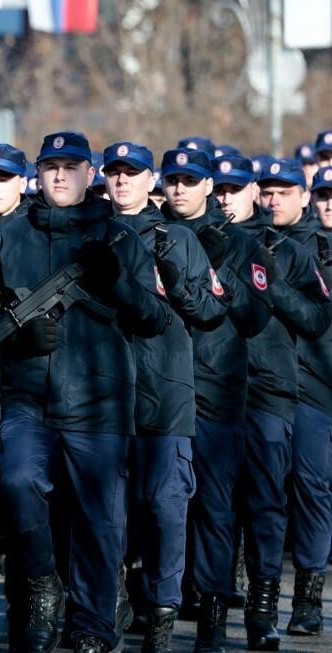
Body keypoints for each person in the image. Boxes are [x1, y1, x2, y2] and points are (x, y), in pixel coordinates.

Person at [0, 131, 168, 653]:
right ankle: (40, 582)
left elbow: (154, 318)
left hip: (100, 405)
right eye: (50, 166)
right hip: (27, 399)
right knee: (17, 481)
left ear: (90, 174)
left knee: (101, 524)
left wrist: (118, 282)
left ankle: (92, 628)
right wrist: (18, 334)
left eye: (71, 166)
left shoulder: (120, 239)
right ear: (37, 173)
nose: (59, 175)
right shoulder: (7, 238)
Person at [105, 143, 228, 653]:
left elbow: (209, 312)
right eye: (113, 172)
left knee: (165, 507)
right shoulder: (92, 234)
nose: (122, 181)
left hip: (165, 394)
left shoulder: (176, 237)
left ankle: (161, 611)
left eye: (132, 173)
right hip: (101, 396)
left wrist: (176, 282)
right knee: (104, 513)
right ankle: (108, 607)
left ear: (149, 179)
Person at [221, 156, 332, 651]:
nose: (273, 199)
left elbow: (314, 317)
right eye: (267, 190)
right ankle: (233, 584)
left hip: (311, 384)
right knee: (241, 491)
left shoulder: (302, 250)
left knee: (308, 485)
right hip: (262, 382)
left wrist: (270, 282)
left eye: (285, 191)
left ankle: (306, 594)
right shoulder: (247, 242)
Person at [185, 153, 276, 652]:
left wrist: (219, 261)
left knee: (221, 508)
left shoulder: (243, 245)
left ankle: (215, 618)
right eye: (172, 180)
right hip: (158, 388)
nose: (221, 197)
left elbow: (253, 315)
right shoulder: (157, 234)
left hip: (221, 390)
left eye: (192, 182)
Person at [263, 160, 332, 637]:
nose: (330, 205)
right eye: (325, 195)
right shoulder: (286, 248)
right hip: (307, 387)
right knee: (310, 487)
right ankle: (307, 597)